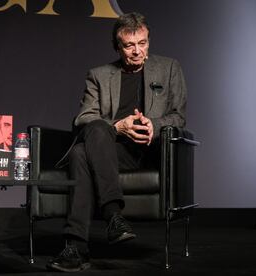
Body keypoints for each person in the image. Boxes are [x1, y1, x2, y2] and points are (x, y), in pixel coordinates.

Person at [47, 12, 187, 272]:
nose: (137, 51)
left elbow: (179, 117)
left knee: (80, 153)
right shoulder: (99, 75)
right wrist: (117, 127)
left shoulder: (169, 69)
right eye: (129, 45)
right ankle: (111, 218)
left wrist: (153, 125)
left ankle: (75, 247)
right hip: (109, 148)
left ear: (148, 41)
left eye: (142, 43)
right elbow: (83, 117)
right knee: (95, 130)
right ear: (118, 46)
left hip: (146, 151)